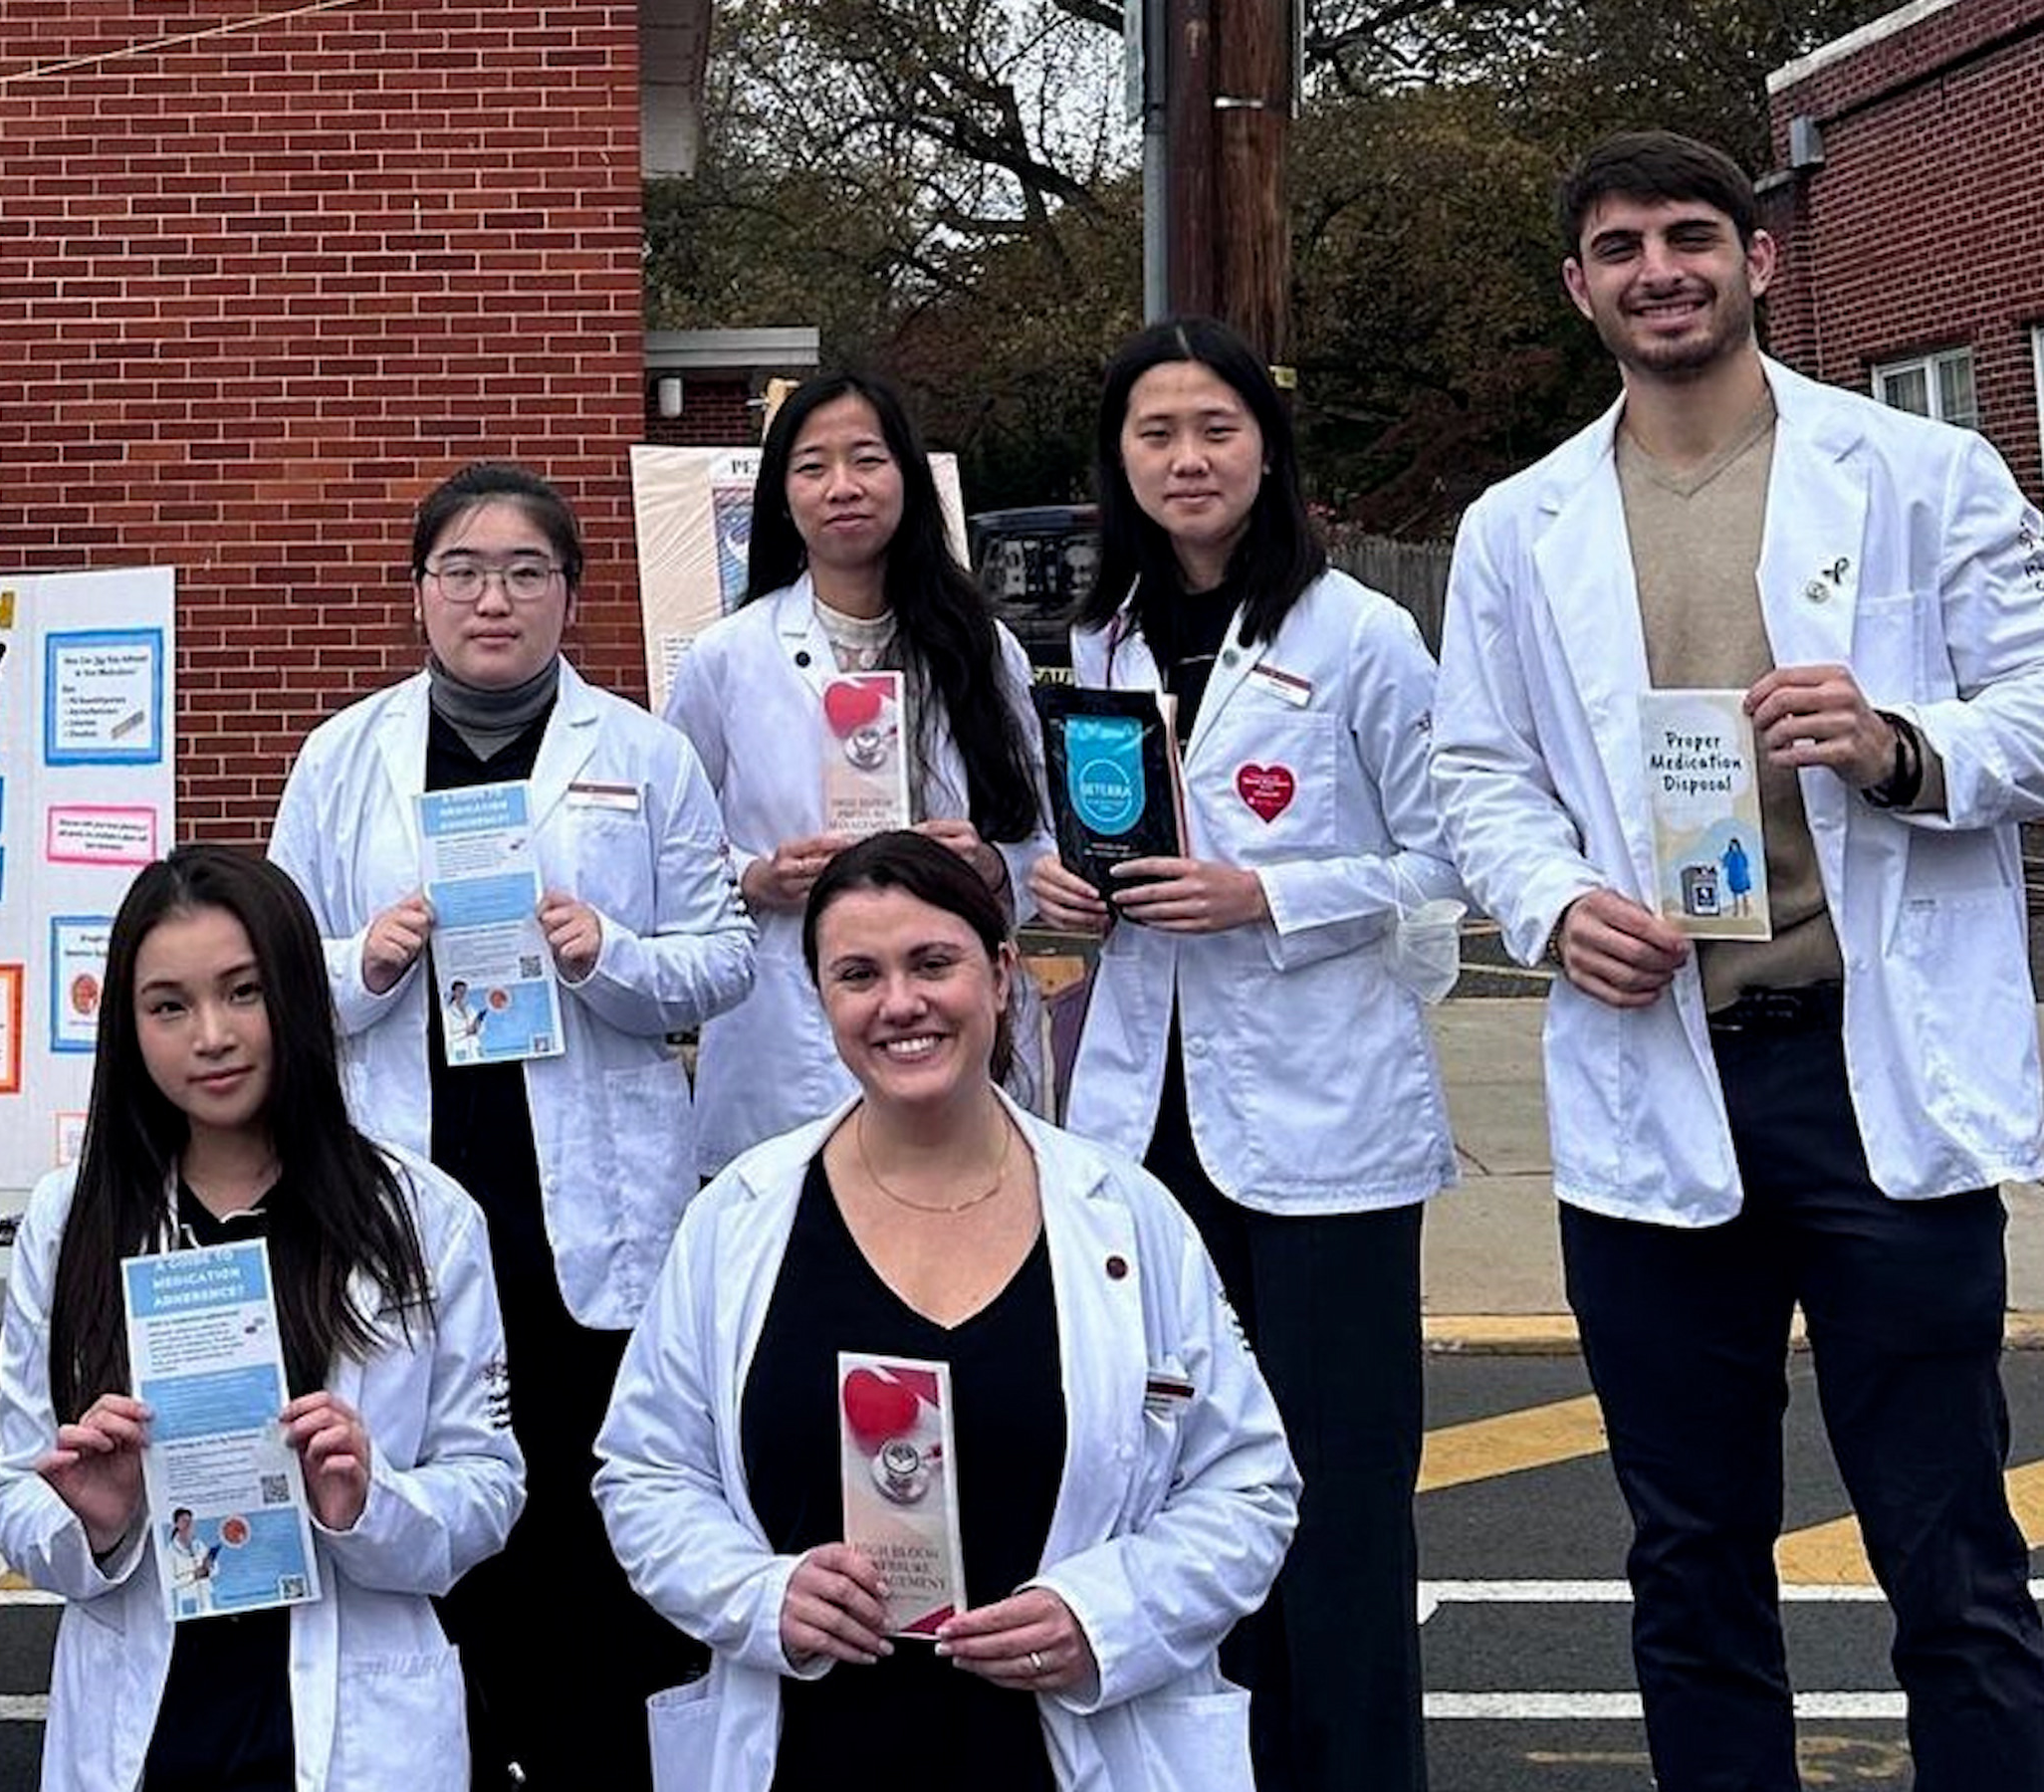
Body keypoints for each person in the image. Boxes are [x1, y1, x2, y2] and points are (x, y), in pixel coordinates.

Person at [1431, 129, 2044, 1790]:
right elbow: (1477, 773)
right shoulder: (1518, 526)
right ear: (1580, 289)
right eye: (1620, 248)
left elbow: (2038, 708)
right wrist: (1555, 906)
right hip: (1657, 1068)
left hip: (1869, 1076)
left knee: (1950, 1555)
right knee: (1691, 1556)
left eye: (1691, 236)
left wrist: (1901, 741)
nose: (1660, 271)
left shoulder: (1920, 473)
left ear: (1759, 258)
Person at [595, 831, 1295, 1790]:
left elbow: (1248, 1483)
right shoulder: (741, 1218)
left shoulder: (1124, 1216)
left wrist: (1106, 1615)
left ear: (1004, 974)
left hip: (1059, 1750)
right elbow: (644, 1472)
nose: (901, 1005)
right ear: (822, 1001)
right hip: (809, 1751)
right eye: (858, 974)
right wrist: (760, 1597)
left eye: (934, 963)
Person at [1022, 315, 1460, 1792]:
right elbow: (1066, 842)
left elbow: (1449, 861)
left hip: (1324, 1129)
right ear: (1119, 463)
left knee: (1339, 1501)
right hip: (1146, 1124)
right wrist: (1061, 888)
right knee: (1186, 1489)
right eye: (1156, 434)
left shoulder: (1363, 637)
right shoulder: (1100, 645)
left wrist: (1262, 894)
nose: (1187, 458)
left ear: (1266, 451)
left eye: (1214, 428)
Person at [267, 463, 753, 1786]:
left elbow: (725, 960)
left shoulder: (642, 756)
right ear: (419, 592)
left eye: (527, 571)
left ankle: (595, 1757)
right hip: (411, 1194)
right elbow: (268, 971)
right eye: (464, 571)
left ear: (570, 596)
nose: (495, 598)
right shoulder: (343, 756)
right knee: (432, 1512)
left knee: (587, 1526)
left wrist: (611, 957)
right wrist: (362, 960)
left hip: (585, 1212)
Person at [0, 845, 524, 1791]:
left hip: (354, 1724)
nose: (211, 1036)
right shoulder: (71, 1221)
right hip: (146, 1728)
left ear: (298, 998)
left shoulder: (424, 1218)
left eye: (244, 992)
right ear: (128, 1025)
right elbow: (16, 1493)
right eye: (169, 1006)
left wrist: (370, 1500)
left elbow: (488, 1489)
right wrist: (99, 1524)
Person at [664, 371, 1052, 1171]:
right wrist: (754, 878)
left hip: (946, 1005)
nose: (842, 486)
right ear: (780, 496)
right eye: (812, 466)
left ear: (908, 479)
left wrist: (989, 865)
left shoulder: (981, 648)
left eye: (867, 459)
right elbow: (672, 851)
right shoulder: (727, 659)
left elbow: (1040, 835)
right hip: (784, 1023)